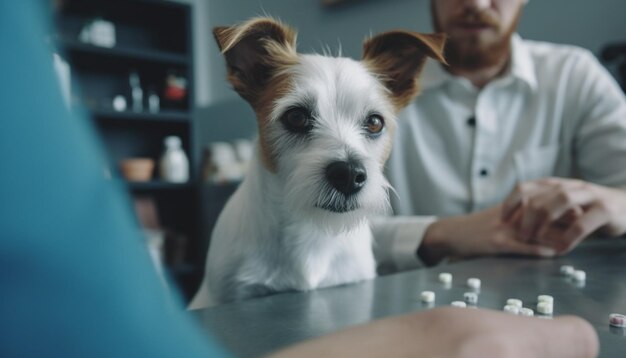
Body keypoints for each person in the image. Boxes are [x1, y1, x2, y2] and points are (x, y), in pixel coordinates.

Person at [0, 2, 599, 358]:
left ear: (398, 96)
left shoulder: (574, 75)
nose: (348, 156)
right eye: (298, 119)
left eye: (371, 125)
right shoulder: (236, 251)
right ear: (248, 73)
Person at [372, 0, 626, 272]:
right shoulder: (371, 91)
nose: (476, 3)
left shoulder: (575, 76)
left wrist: (618, 203)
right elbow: (336, 235)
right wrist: (444, 234)